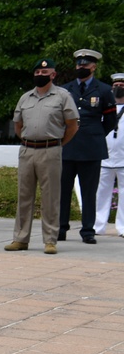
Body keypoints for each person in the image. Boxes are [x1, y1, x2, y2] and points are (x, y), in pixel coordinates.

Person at [5, 58, 79, 255]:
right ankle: (20, 239)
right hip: (27, 150)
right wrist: (30, 141)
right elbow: (18, 126)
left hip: (51, 150)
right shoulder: (25, 97)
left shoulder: (62, 96)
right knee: (24, 196)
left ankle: (50, 240)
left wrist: (58, 143)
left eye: (45, 73)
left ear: (53, 75)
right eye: (37, 72)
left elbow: (72, 125)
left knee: (50, 196)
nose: (40, 75)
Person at [58, 49, 117, 244]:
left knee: (89, 191)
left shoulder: (104, 90)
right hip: (67, 146)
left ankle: (88, 230)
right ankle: (61, 228)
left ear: (94, 66)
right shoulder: (65, 89)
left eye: (85, 64)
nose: (81, 67)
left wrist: (95, 133)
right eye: (78, 64)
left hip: (91, 147)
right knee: (63, 191)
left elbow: (109, 120)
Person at [95, 73, 124, 236]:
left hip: (123, 159)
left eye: (121, 86)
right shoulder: (104, 107)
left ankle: (123, 227)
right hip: (104, 158)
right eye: (116, 86)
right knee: (100, 194)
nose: (118, 89)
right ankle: (98, 226)